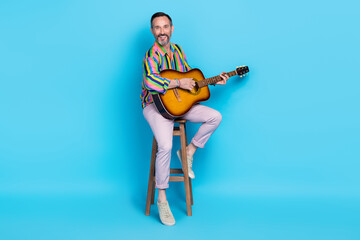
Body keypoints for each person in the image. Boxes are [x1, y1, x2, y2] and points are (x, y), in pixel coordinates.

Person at [141, 12, 229, 226]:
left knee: (214, 116)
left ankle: (188, 151)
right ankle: (162, 199)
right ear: (152, 31)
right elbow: (150, 82)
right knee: (165, 145)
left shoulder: (178, 50)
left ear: (171, 28)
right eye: (157, 27)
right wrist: (178, 84)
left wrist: (212, 81)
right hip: (155, 106)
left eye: (165, 26)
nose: (162, 31)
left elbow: (187, 77)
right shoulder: (150, 56)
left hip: (180, 105)